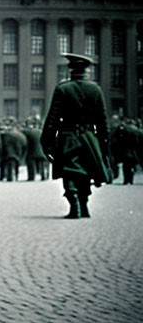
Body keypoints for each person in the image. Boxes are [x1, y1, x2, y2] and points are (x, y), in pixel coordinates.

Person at [41, 53, 112, 218]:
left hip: (68, 137)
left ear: (71, 70)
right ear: (86, 70)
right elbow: (102, 121)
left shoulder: (63, 89)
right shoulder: (95, 89)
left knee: (70, 171)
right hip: (89, 137)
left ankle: (75, 207)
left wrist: (46, 141)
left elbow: (53, 118)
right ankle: (84, 206)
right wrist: (103, 144)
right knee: (86, 170)